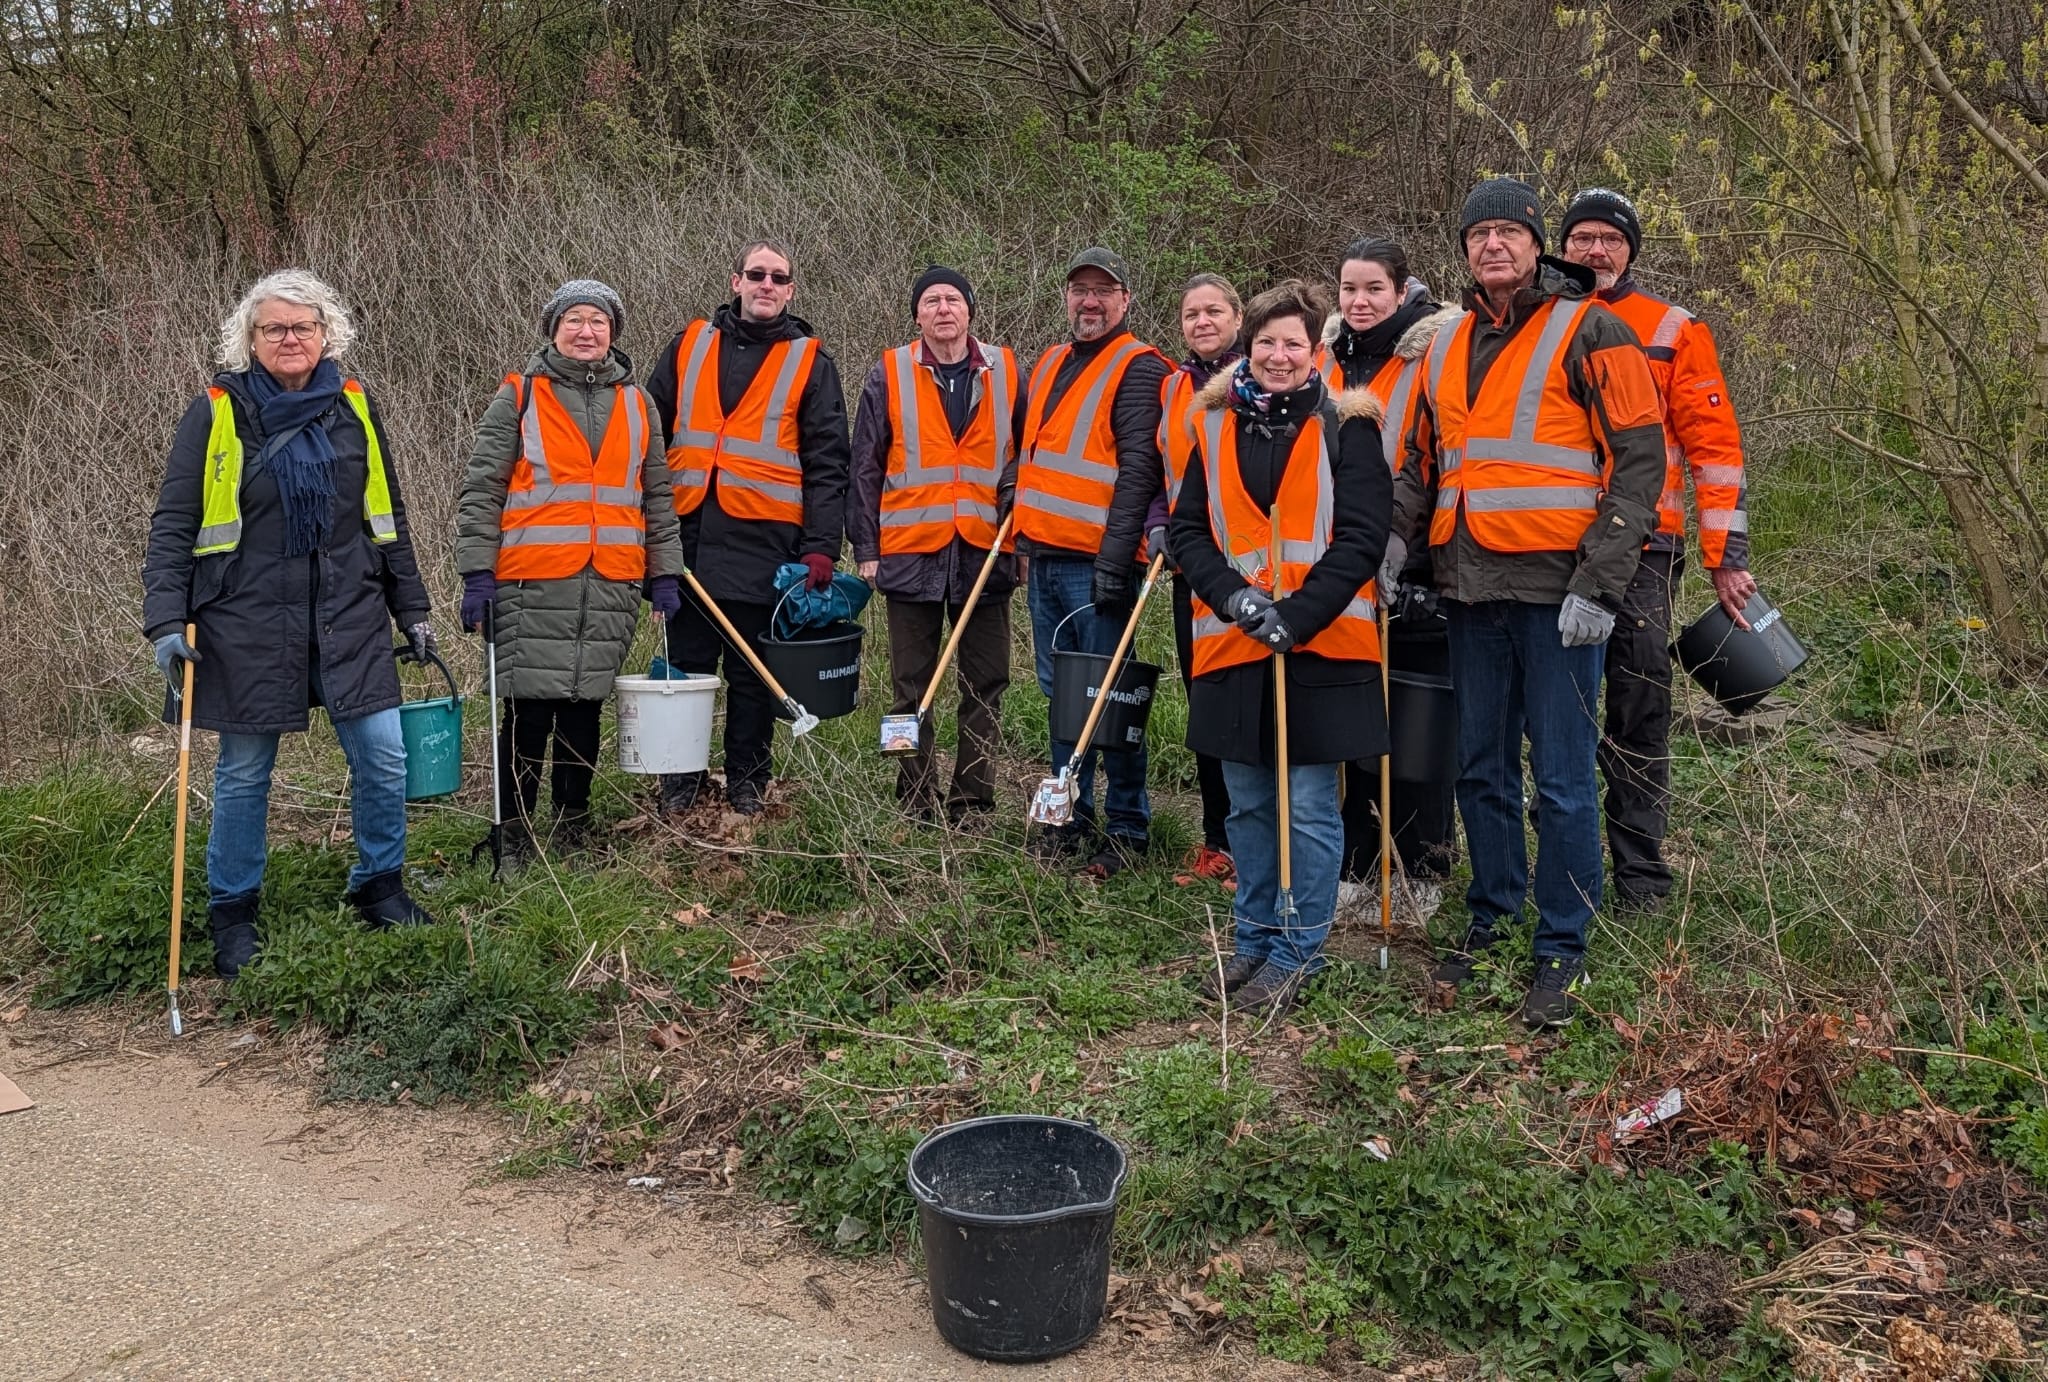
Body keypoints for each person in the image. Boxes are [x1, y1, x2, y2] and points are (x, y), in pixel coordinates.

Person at [1388, 178, 1667, 1028]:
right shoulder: (1442, 347)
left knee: (1562, 777)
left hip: (1560, 596)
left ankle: (1562, 943)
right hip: (1469, 590)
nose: (1494, 247)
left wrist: (1601, 581)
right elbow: (1420, 466)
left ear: (1536, 243)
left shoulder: (1593, 329)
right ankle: (1493, 913)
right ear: (1464, 251)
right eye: (1479, 235)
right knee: (1480, 769)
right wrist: (1396, 546)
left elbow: (1641, 461)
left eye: (1509, 232)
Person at [142, 269, 437, 978]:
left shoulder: (354, 406)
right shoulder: (218, 411)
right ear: (250, 339)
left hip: (350, 613)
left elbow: (387, 517)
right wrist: (163, 622)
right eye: (273, 328)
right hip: (244, 620)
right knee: (245, 772)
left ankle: (380, 885)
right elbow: (175, 523)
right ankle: (234, 913)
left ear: (326, 332)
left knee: (385, 756)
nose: (290, 339)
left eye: (303, 327)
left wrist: (414, 608)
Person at [1170, 279, 1390, 1015]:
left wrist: (1297, 617)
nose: (1278, 354)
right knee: (1248, 808)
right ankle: (1254, 939)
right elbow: (1189, 533)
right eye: (1266, 341)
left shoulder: (1348, 427)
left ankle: (1300, 950)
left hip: (1319, 648)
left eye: (1293, 342)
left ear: (1314, 351)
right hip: (1236, 648)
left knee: (1308, 809)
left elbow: (1361, 537)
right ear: (1249, 347)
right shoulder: (1213, 427)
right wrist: (1234, 599)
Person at [1557, 187, 1757, 912]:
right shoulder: (1542, 320)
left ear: (1631, 250)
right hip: (1552, 545)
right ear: (1562, 247)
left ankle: (1640, 874)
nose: (1596, 251)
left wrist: (1725, 554)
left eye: (1610, 239)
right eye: (1581, 238)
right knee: (1556, 709)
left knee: (1638, 701)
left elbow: (1716, 449)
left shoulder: (1671, 327)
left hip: (1644, 545)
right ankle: (1563, 866)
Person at [455, 279, 687, 872]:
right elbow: (482, 490)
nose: (587, 332)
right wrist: (476, 573)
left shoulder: (639, 404)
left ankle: (573, 828)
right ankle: (513, 835)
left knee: (585, 709)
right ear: (553, 329)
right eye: (574, 320)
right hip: (532, 581)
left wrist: (666, 573)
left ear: (613, 332)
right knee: (529, 712)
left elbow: (657, 496)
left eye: (599, 322)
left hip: (610, 582)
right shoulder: (520, 396)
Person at [648, 240, 852, 816]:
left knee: (751, 673)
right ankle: (679, 785)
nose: (766, 284)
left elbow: (828, 462)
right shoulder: (688, 345)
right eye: (756, 274)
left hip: (766, 546)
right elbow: (646, 440)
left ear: (791, 291)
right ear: (735, 281)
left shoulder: (811, 361)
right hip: (686, 540)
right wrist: (646, 532)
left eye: (778, 277)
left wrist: (819, 548)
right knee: (684, 671)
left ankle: (747, 784)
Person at [1318, 237, 1463, 925]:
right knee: (1354, 715)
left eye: (1373, 288)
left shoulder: (1437, 353)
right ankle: (1354, 861)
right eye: (1349, 289)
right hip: (1343, 559)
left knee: (1418, 726)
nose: (1359, 301)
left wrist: (1408, 547)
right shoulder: (1326, 359)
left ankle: (1421, 868)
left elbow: (1439, 454)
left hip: (1420, 561)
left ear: (1403, 291)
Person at [1015, 247, 1171, 877]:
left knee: (1111, 697)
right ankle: (1069, 816)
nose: (1089, 301)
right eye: (1080, 290)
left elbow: (1140, 468)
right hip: (1044, 557)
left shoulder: (1140, 367)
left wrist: (1114, 559)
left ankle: (1128, 826)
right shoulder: (1051, 361)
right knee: (1062, 699)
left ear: (1125, 301)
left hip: (1096, 566)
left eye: (1103, 291)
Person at [849, 266, 1022, 824]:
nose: (944, 308)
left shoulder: (1009, 370)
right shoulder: (889, 372)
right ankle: (913, 796)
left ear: (970, 311)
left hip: (986, 553)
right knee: (908, 689)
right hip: (909, 552)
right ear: (916, 315)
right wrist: (866, 547)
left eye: (953, 299)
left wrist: (1020, 538)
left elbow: (1027, 458)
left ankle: (973, 800)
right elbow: (865, 466)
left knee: (987, 682)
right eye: (932, 301)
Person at [1153, 272, 1245, 886]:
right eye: (1191, 314)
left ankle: (1253, 841)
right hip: (1191, 569)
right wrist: (1160, 524)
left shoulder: (1258, 378)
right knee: (1204, 701)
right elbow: (1167, 465)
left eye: (1214, 311)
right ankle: (1216, 841)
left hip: (1246, 568)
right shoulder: (1170, 387)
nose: (1203, 322)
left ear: (1238, 318)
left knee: (1246, 704)